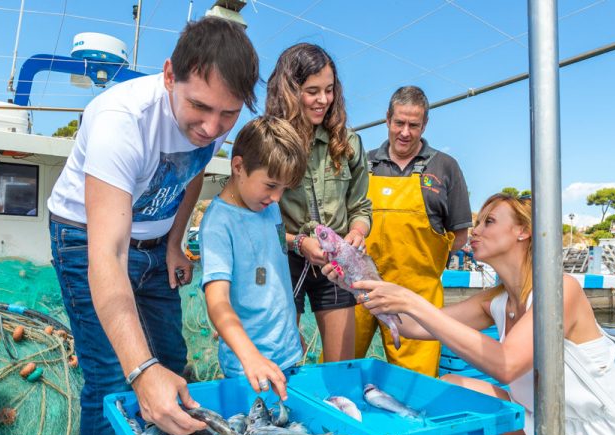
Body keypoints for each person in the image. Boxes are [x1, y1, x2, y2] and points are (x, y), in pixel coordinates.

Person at [325, 193, 615, 435]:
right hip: (543, 418)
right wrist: (356, 285)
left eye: (489, 222)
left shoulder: (560, 289)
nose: (476, 230)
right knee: (454, 388)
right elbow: (413, 327)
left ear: (523, 232)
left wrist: (412, 300)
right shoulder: (496, 300)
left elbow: (507, 364)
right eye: (478, 222)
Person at [46, 17, 258, 435]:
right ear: (169, 75)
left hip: (154, 239)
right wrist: (142, 371)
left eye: (228, 114)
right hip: (85, 237)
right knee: (113, 377)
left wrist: (173, 243)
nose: (211, 127)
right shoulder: (120, 120)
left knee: (175, 363)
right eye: (200, 107)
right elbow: (108, 254)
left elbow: (190, 176)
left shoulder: (216, 121)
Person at [265, 43, 372, 362]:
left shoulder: (348, 142)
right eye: (312, 91)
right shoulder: (270, 141)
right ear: (289, 91)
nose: (323, 100)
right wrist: (298, 243)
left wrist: (357, 232)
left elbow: (361, 207)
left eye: (329, 90)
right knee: (280, 362)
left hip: (334, 262)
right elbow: (253, 220)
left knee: (343, 366)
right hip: (283, 260)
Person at [355, 86, 472, 376]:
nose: (405, 132)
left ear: (425, 124)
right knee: (340, 371)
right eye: (399, 123)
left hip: (416, 299)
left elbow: (459, 236)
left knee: (414, 386)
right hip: (357, 292)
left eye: (414, 125)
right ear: (387, 119)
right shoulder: (363, 163)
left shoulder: (446, 167)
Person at [200, 116, 307, 398]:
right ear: (238, 167)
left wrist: (300, 244)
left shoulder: (266, 206)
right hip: (249, 369)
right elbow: (217, 301)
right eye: (271, 185)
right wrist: (251, 357)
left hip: (288, 352)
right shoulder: (218, 223)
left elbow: (264, 251)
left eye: (284, 189)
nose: (277, 197)